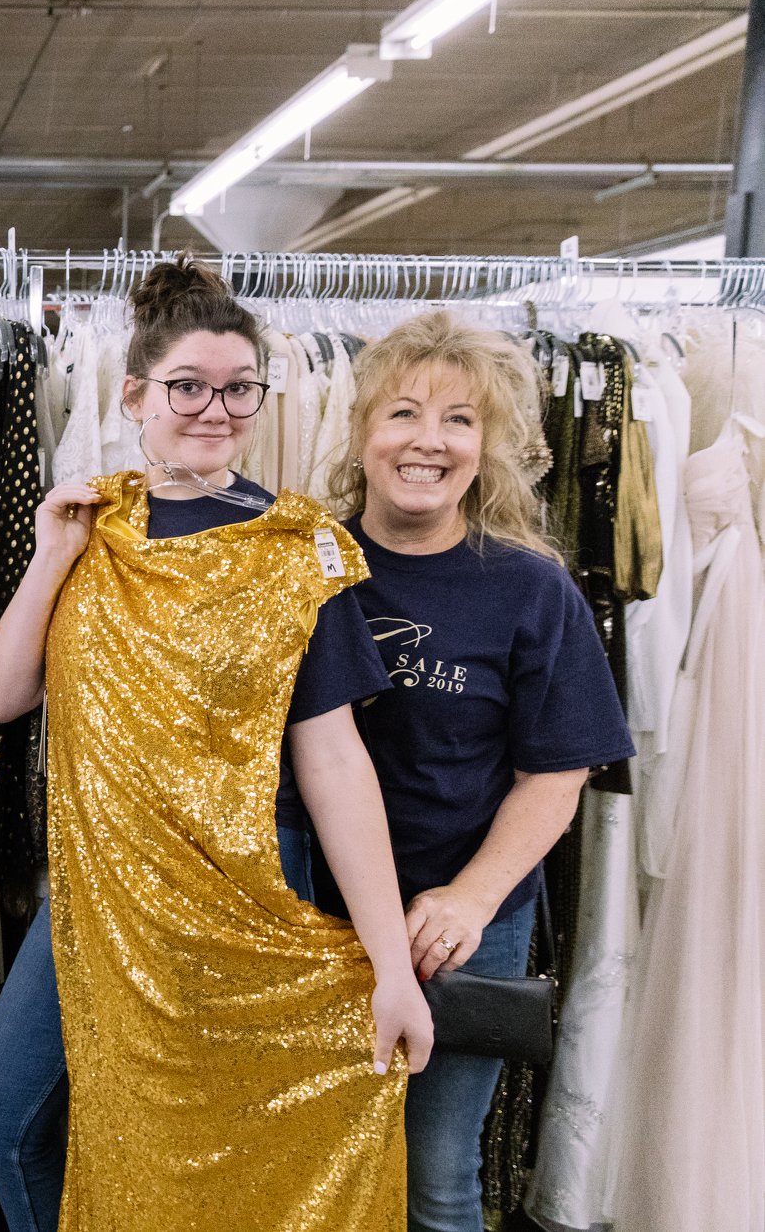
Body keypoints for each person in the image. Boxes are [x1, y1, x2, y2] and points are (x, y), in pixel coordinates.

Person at [0, 259, 433, 1232]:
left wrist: (391, 967)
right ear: (135, 393)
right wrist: (51, 556)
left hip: (240, 885)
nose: (213, 410)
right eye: (187, 386)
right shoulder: (89, 525)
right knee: (2, 1114)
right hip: (99, 887)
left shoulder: (291, 548)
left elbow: (335, 760)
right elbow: (3, 697)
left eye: (237, 388)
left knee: (211, 1154)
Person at [318, 311, 634, 1232]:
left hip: (462, 927)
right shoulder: (306, 567)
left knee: (437, 1172)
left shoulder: (531, 588)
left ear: (485, 447)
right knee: (313, 1160)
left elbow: (557, 774)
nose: (429, 441)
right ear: (361, 432)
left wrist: (469, 900)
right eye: (403, 413)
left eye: (458, 420)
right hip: (313, 914)